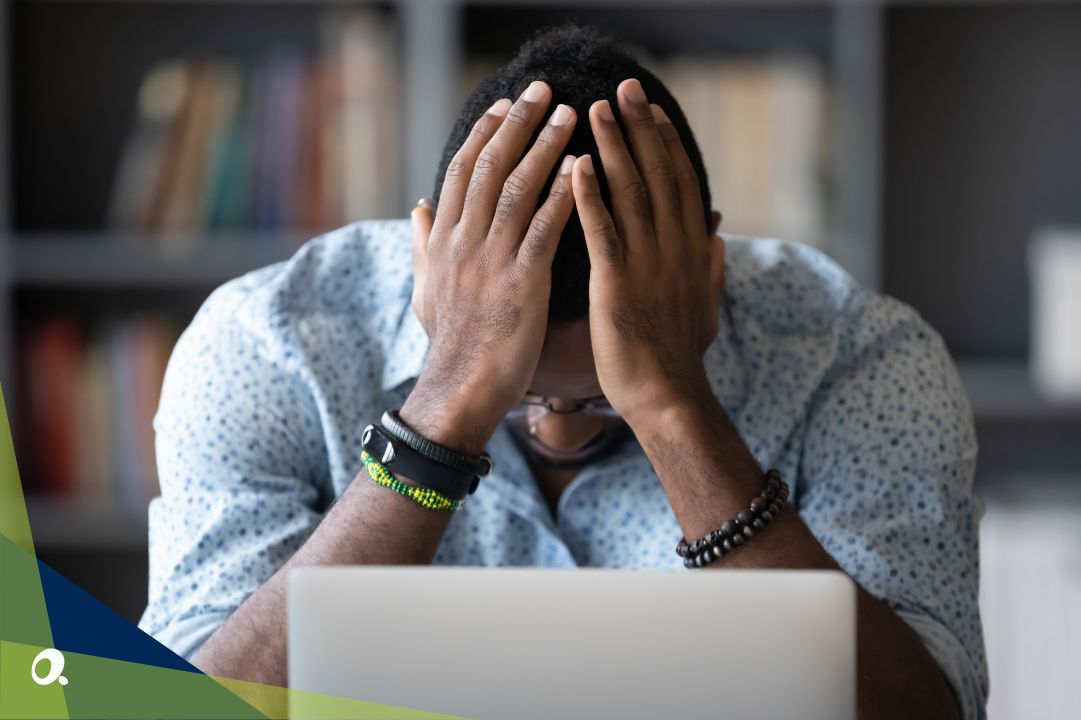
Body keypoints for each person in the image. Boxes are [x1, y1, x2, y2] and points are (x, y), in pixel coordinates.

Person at [139, 24, 988, 719]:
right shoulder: (267, 343)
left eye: (598, 401)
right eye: (524, 400)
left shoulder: (857, 357)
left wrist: (671, 409)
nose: (558, 429)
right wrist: (444, 411)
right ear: (430, 260)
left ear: (707, 274)